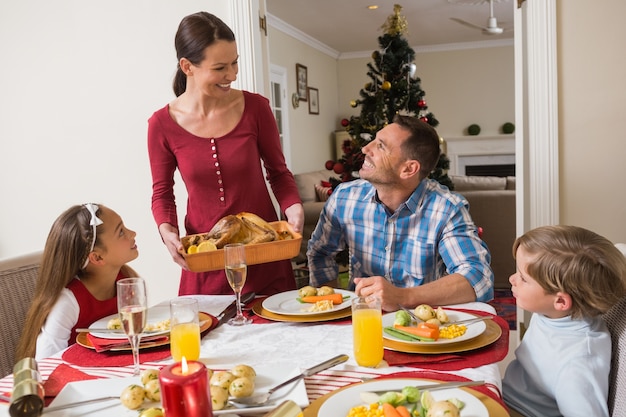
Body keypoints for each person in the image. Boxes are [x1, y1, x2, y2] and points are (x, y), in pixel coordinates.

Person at [148, 11, 303, 296]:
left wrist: (293, 207)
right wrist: (166, 231)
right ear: (188, 66)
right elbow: (162, 193)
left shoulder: (257, 108)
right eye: (220, 68)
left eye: (235, 63)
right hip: (207, 261)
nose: (232, 75)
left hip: (264, 255)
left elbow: (279, 174)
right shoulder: (161, 125)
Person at [307, 115, 493, 311]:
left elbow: (478, 277)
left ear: (408, 168)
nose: (365, 149)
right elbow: (320, 252)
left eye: (381, 146)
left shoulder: (447, 209)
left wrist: (402, 297)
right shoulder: (344, 198)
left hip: (420, 328)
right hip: (364, 320)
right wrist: (330, 306)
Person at [502, 225, 626, 417]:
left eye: (523, 278)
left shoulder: (578, 364)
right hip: (506, 396)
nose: (512, 279)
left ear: (560, 301)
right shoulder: (553, 313)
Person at [15, 204, 139, 360]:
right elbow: (46, 363)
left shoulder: (127, 281)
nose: (133, 233)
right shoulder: (68, 302)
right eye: (121, 232)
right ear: (97, 257)